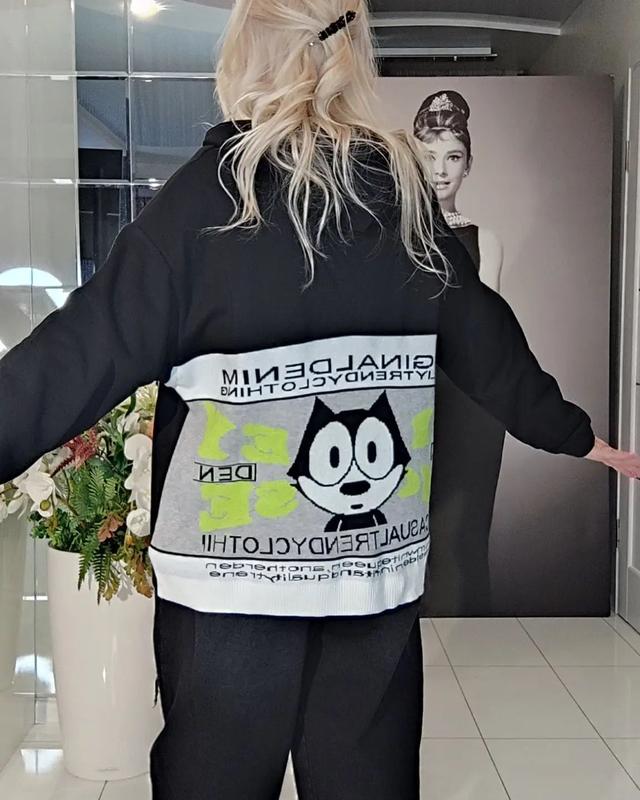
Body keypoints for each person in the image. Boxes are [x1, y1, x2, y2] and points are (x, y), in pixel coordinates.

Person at [0, 2, 637, 798]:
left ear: (244, 57)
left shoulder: (206, 202)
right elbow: (487, 343)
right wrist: (575, 435)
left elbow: (75, 356)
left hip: (228, 594)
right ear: (350, 59)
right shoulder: (402, 199)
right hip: (369, 583)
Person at [413, 89, 506, 614]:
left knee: (462, 537)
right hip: (406, 396)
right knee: (403, 529)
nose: (440, 170)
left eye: (452, 157)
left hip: (470, 403)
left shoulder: (484, 239)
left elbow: (485, 330)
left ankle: (469, 635)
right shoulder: (391, 236)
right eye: (429, 156)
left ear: (468, 164)